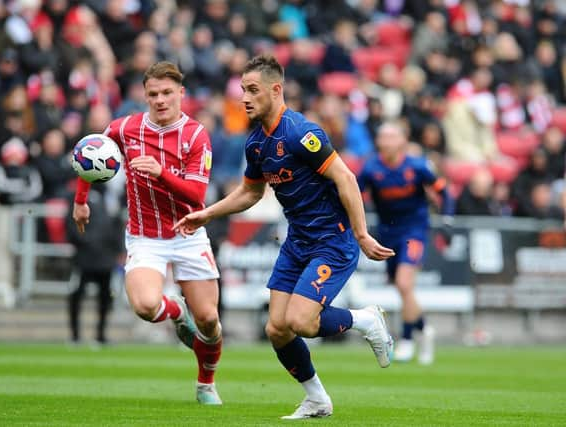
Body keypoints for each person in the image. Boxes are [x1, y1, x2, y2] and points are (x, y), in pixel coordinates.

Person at [174, 55, 395, 419]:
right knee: (277, 329)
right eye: (243, 90)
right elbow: (250, 193)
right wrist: (207, 214)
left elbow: (346, 179)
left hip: (332, 240)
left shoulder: (301, 133)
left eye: (253, 90)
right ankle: (318, 400)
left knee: (302, 322)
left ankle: (366, 320)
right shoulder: (256, 143)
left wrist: (361, 234)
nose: (245, 97)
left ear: (276, 90)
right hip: (297, 243)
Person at [72, 61, 223, 405]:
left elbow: (197, 195)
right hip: (145, 236)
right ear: (145, 95)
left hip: (188, 233)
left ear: (181, 94)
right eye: (153, 94)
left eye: (167, 93)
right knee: (144, 305)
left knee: (210, 320)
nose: (160, 100)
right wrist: (81, 201)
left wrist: (159, 173)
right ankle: (175, 312)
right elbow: (89, 152)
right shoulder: (125, 128)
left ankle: (206, 383)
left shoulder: (196, 134)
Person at [357, 122, 454, 365]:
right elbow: (353, 194)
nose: (387, 141)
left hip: (415, 231)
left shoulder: (418, 166)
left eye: (392, 136)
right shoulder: (371, 168)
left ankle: (407, 339)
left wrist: (447, 220)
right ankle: (425, 329)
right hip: (387, 233)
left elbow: (444, 192)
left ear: (403, 140)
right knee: (401, 287)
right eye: (383, 137)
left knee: (403, 283)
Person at [66, 184, 123, 346]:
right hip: (84, 257)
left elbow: (117, 224)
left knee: (106, 297)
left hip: (106, 259)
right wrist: (85, 241)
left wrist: (118, 250)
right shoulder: (79, 195)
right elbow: (71, 221)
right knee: (76, 295)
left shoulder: (111, 196)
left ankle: (101, 334)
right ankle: (75, 335)